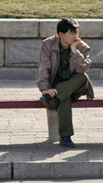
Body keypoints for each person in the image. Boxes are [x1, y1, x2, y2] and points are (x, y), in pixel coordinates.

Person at [36, 18, 94, 148]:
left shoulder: (82, 47)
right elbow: (43, 68)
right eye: (72, 33)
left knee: (83, 77)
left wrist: (75, 51)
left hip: (75, 88)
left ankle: (52, 96)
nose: (76, 37)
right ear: (61, 34)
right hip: (53, 88)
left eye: (77, 33)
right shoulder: (48, 45)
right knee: (64, 98)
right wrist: (45, 89)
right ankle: (65, 137)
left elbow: (84, 68)